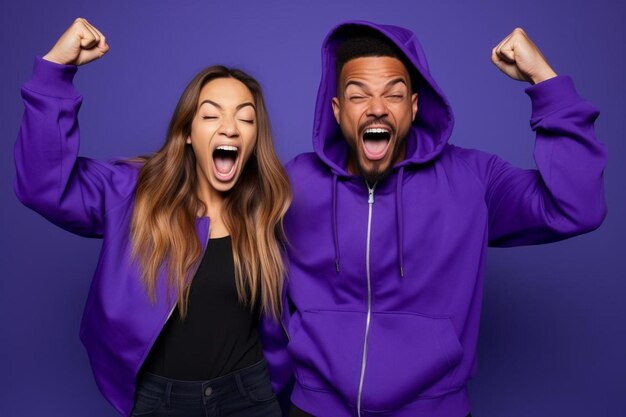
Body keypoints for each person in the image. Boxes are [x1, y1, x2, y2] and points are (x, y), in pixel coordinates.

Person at [263, 21, 607, 417]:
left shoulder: (473, 180)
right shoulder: (295, 183)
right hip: (315, 409)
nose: (377, 107)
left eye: (393, 94)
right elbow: (259, 285)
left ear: (413, 106)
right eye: (359, 96)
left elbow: (577, 206)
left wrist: (546, 82)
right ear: (338, 112)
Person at [14, 18, 291, 417]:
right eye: (211, 115)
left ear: (254, 138)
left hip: (249, 397)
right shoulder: (133, 193)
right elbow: (41, 186)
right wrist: (56, 73)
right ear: (188, 133)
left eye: (245, 118)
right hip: (159, 401)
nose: (230, 127)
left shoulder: (269, 209)